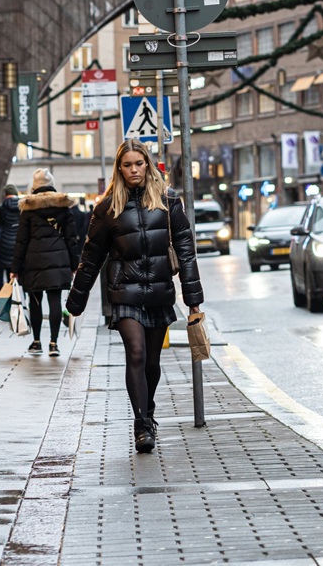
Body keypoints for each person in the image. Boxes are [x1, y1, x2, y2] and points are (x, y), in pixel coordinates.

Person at [66, 139, 203, 454]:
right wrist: (76, 300)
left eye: (138, 164)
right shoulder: (107, 207)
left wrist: (193, 297)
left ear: (147, 164)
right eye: (126, 165)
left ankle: (148, 410)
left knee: (152, 362)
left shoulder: (169, 201)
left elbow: (186, 251)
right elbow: (91, 257)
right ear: (119, 168)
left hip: (158, 291)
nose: (133, 170)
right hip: (124, 292)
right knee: (137, 354)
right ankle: (141, 425)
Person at [10, 169, 80, 358]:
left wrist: (15, 268)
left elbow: (21, 241)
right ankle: (54, 343)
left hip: (34, 260)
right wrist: (75, 264)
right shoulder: (63, 207)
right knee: (55, 300)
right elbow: (71, 238)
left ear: (34, 186)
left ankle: (36, 342)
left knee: (35, 302)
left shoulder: (29, 208)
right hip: (59, 259)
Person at [0, 185, 21, 289]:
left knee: (2, 269)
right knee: (15, 272)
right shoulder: (22, 207)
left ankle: (3, 294)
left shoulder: (1, 208)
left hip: (4, 243)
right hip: (18, 243)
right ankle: (17, 296)